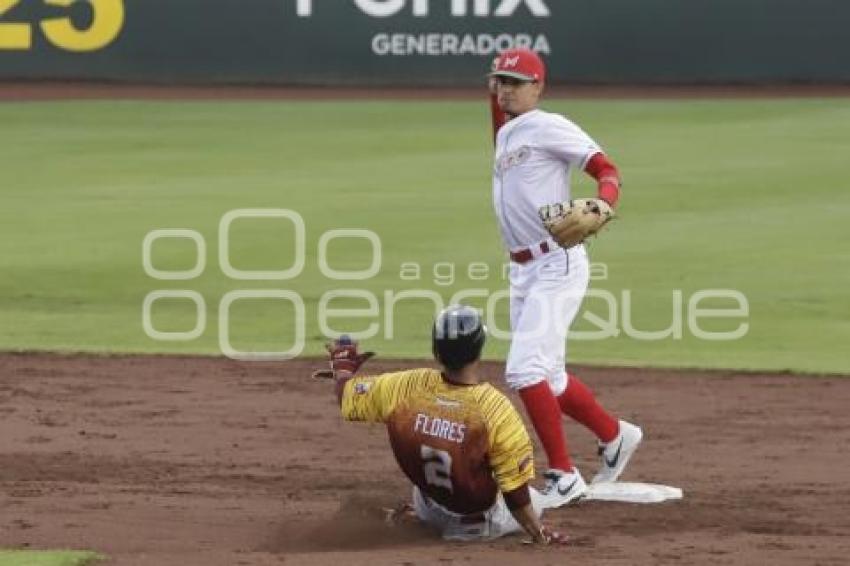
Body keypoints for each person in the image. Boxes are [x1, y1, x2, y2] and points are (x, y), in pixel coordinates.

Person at [487, 48, 643, 508]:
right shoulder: (508, 132)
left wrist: (604, 202)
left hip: (557, 262)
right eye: (501, 82)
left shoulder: (548, 125)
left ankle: (564, 476)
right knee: (548, 376)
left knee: (523, 370)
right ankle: (616, 436)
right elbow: (498, 113)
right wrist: (492, 89)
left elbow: (605, 167)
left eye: (517, 82)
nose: (507, 89)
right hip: (523, 270)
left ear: (538, 86)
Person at [320, 305, 564, 544]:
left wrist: (343, 368)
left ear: (437, 352)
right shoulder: (495, 409)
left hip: (428, 506)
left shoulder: (408, 386)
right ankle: (448, 524)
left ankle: (419, 519)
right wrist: (539, 533)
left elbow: (348, 398)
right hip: (475, 526)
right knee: (537, 500)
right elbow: (516, 495)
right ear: (479, 351)